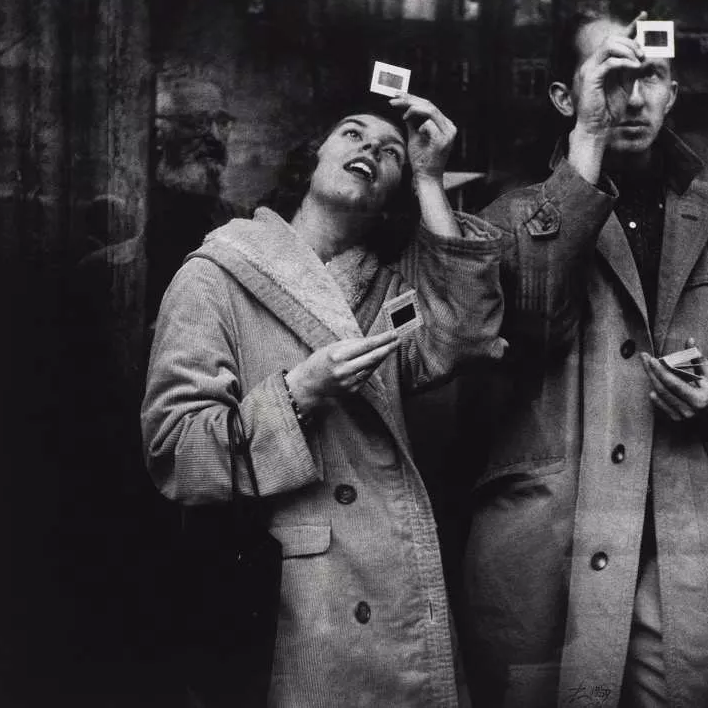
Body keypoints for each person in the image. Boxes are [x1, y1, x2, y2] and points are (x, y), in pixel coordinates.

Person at [460, 11, 708, 708]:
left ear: (672, 92)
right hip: (548, 559)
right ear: (565, 96)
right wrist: (585, 150)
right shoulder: (508, 218)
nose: (631, 97)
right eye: (610, 77)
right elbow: (533, 326)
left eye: (647, 76)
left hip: (689, 560)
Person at [141, 93, 504, 707]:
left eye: (392, 152)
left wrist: (431, 179)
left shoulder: (388, 293)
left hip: (391, 576)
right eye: (352, 133)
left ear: (394, 193)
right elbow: (176, 451)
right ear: (311, 159)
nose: (371, 148)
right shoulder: (215, 273)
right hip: (291, 596)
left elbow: (465, 335)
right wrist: (297, 393)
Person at [146, 77, 242, 328]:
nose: (214, 136)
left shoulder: (240, 222)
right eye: (195, 123)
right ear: (160, 135)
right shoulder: (139, 212)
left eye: (222, 123)